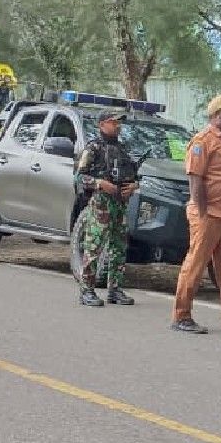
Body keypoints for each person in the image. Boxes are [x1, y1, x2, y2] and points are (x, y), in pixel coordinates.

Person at [171, 95, 221, 334]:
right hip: (208, 215)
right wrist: (203, 211)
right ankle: (181, 315)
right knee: (195, 264)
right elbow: (195, 179)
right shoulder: (202, 141)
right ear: (215, 116)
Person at [73, 109, 139, 306]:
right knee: (94, 246)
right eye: (113, 122)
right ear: (102, 125)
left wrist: (133, 186)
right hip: (101, 203)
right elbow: (79, 176)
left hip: (120, 203)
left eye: (119, 123)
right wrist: (100, 183)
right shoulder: (93, 148)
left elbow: (133, 176)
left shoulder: (122, 148)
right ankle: (86, 290)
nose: (117, 126)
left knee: (118, 247)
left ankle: (115, 289)